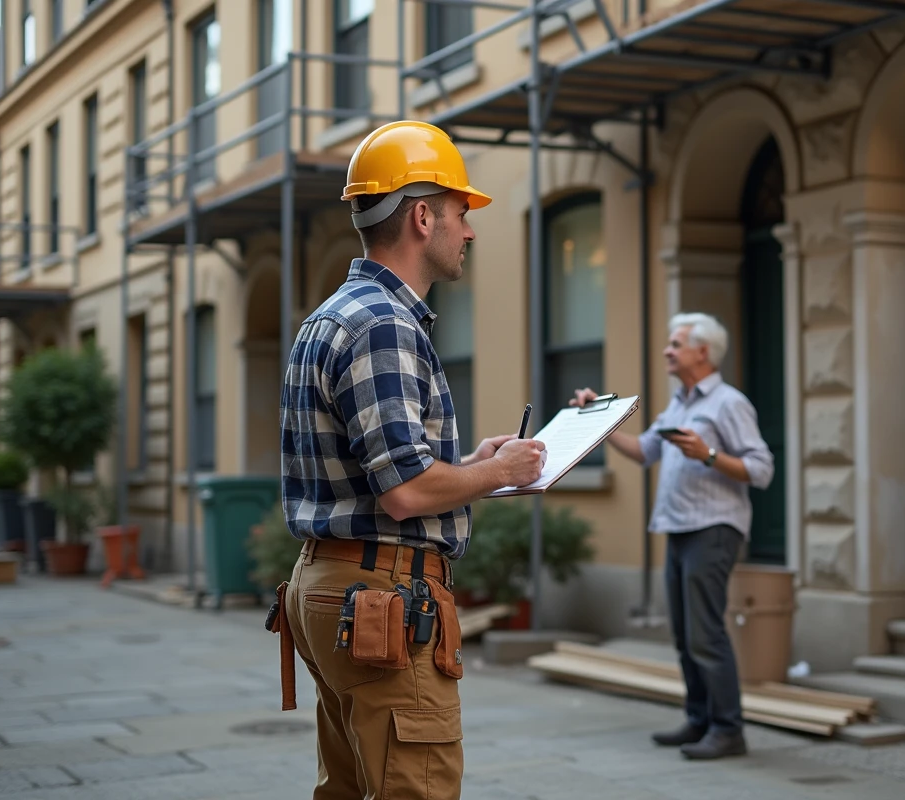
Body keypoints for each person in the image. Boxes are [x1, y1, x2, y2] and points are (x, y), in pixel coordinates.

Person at [276, 120, 547, 799]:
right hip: (384, 599)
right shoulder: (384, 325)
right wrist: (501, 472)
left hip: (333, 588)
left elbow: (388, 467)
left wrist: (472, 464)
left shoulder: (334, 316)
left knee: (346, 788)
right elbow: (403, 492)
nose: (471, 231)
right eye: (460, 213)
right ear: (423, 216)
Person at [569, 312, 773, 760]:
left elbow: (761, 469)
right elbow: (644, 451)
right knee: (684, 634)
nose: (667, 350)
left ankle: (728, 728)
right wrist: (597, 422)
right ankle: (700, 720)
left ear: (704, 352)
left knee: (705, 632)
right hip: (678, 528)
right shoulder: (679, 404)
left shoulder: (728, 404)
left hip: (713, 529)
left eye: (676, 344)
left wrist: (710, 453)